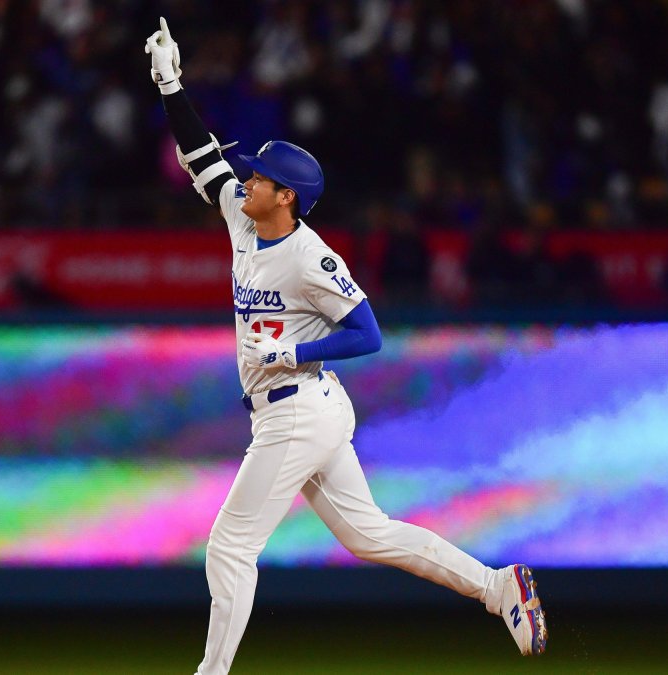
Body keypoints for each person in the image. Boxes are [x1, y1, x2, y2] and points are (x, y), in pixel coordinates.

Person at [144, 18, 547, 674]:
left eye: (260, 180)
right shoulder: (244, 224)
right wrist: (170, 83)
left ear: (288, 197)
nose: (246, 183)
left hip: (298, 406)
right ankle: (498, 586)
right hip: (302, 407)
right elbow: (203, 158)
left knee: (228, 546)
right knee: (371, 533)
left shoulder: (311, 257)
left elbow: (369, 331)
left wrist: (292, 354)